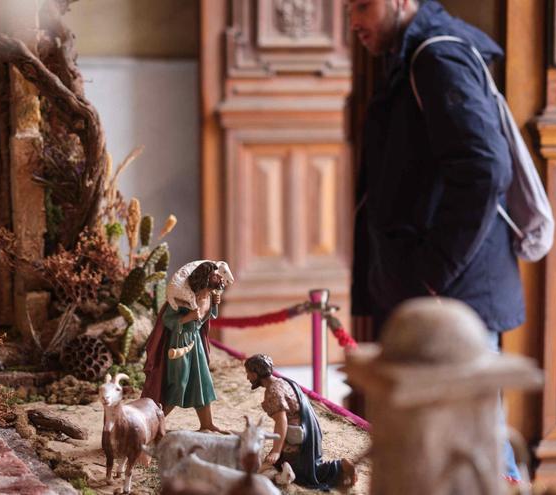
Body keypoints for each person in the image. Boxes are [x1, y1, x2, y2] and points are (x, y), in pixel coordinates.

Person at [348, 0, 525, 480]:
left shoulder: (435, 58)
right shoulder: (411, 56)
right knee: (452, 448)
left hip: (455, 299)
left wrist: (431, 273)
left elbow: (486, 169)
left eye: (363, 5)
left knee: (479, 450)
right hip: (444, 293)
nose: (354, 20)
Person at [244, 354, 357, 491]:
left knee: (304, 475)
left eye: (248, 373)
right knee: (283, 466)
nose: (247, 377)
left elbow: (282, 421)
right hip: (308, 429)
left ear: (256, 374)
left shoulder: (272, 391)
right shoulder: (282, 381)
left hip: (298, 439)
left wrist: (276, 451)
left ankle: (340, 466)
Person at [142, 261, 227, 433]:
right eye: (215, 275)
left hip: (195, 343)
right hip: (179, 342)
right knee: (178, 383)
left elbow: (204, 318)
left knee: (203, 381)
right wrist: (187, 318)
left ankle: (207, 424)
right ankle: (151, 425)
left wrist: (215, 304)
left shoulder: (209, 296)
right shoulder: (183, 298)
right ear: (205, 279)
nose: (219, 278)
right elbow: (167, 319)